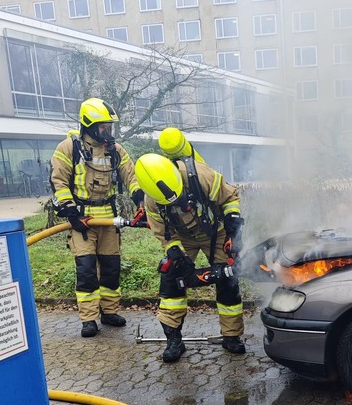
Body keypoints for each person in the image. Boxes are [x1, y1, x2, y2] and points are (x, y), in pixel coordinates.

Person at [134, 149, 245, 362]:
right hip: (183, 236)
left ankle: (231, 336)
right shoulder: (151, 201)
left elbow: (230, 197)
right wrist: (177, 254)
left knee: (228, 278)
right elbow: (163, 233)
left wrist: (232, 226)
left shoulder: (200, 175)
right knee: (171, 278)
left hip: (216, 232)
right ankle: (174, 339)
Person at [50, 97, 143, 338]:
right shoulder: (68, 148)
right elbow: (59, 182)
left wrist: (140, 199)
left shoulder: (115, 150)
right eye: (103, 127)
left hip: (109, 219)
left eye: (109, 127)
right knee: (86, 271)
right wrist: (72, 213)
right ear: (89, 126)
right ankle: (89, 319)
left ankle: (109, 312)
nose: (107, 131)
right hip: (82, 221)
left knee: (111, 268)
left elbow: (131, 176)